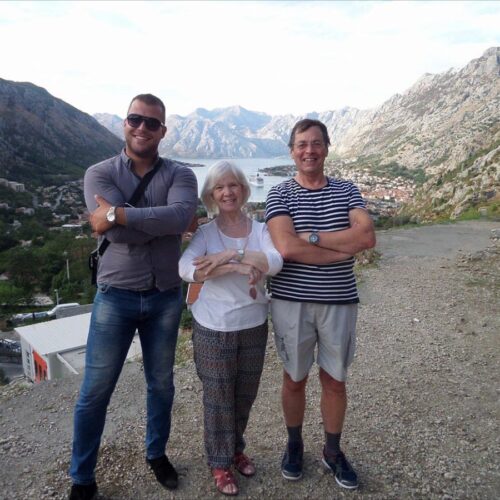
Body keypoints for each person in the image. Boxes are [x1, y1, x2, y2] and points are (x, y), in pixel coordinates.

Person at [69, 94, 198, 500]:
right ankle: (82, 478)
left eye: (151, 123)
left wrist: (118, 214)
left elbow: (180, 217)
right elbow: (132, 232)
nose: (142, 128)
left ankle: (156, 454)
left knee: (161, 384)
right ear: (124, 123)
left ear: (163, 130)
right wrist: (154, 222)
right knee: (95, 391)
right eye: (134, 119)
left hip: (164, 295)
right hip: (115, 295)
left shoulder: (181, 173)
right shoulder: (98, 173)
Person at [265, 118, 376, 490]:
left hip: (339, 302)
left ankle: (332, 451)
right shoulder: (280, 194)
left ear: (327, 147)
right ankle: (294, 445)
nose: (309, 150)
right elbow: (286, 247)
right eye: (301, 144)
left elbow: (366, 237)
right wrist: (339, 250)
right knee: (294, 379)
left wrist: (311, 236)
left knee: (335, 380)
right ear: (292, 151)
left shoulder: (347, 190)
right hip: (291, 303)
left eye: (315, 143)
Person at [179, 161, 283, 496]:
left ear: (243, 189)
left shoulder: (261, 229)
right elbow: (186, 268)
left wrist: (229, 254)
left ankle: (235, 449)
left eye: (233, 185)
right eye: (220, 187)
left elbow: (276, 261)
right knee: (218, 397)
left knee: (244, 396)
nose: (227, 192)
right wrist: (235, 268)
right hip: (214, 326)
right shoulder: (206, 234)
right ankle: (220, 462)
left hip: (253, 324)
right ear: (211, 194)